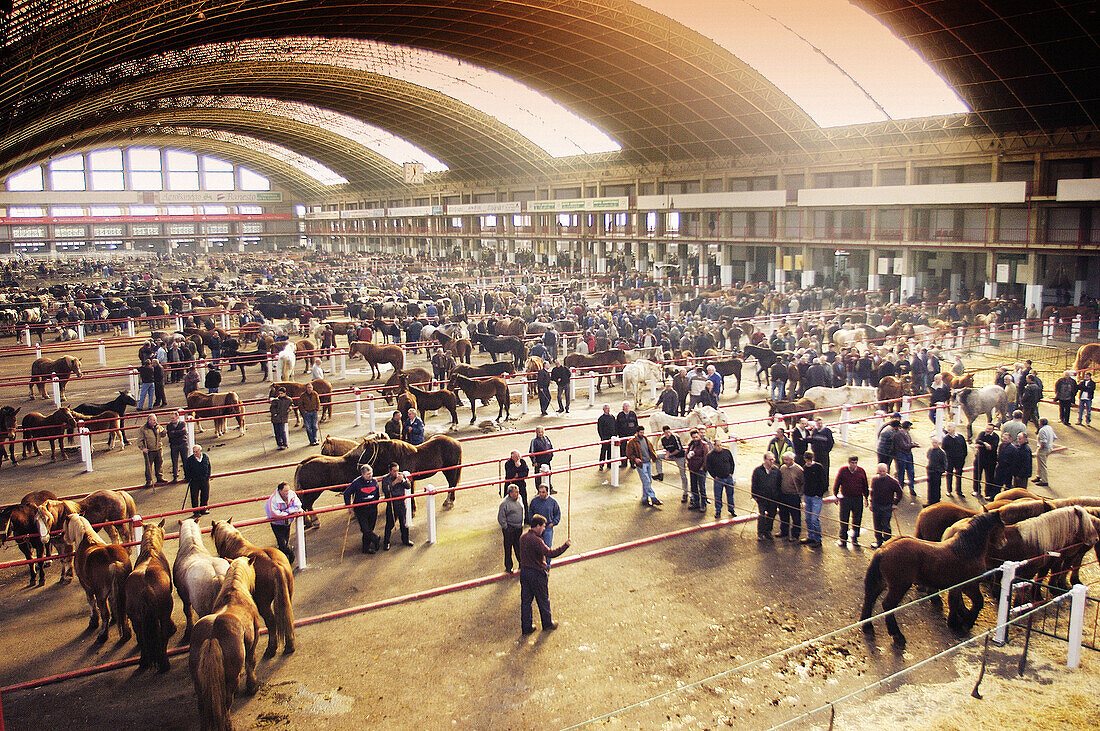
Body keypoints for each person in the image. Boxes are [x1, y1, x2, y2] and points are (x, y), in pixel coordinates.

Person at [518, 515, 571, 635]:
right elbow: (550, 553)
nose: (543, 529)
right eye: (542, 527)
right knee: (543, 599)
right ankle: (547, 623)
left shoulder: (523, 537)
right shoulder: (537, 541)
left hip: (525, 572)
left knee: (526, 601)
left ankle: (526, 627)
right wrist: (565, 546)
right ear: (537, 526)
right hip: (537, 573)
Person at [344, 464, 382, 554]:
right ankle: (376, 539)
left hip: (372, 509)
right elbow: (347, 493)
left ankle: (366, 548)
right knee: (365, 529)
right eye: (368, 474)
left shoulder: (374, 481)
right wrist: (348, 506)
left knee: (370, 529)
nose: (370, 475)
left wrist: (376, 503)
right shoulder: (357, 483)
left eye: (371, 473)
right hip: (361, 510)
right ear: (363, 475)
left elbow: (377, 494)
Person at [833, 455, 869, 548]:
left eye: (855, 463)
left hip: (858, 498)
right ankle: (843, 539)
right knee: (844, 519)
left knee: (857, 519)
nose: (854, 465)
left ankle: (855, 538)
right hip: (845, 498)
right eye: (852, 463)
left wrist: (866, 497)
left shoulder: (861, 471)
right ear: (849, 463)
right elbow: (837, 483)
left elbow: (865, 485)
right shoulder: (843, 471)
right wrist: (835, 495)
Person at [265, 481, 302, 563]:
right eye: (285, 491)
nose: (288, 493)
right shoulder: (273, 500)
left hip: (287, 523)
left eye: (288, 490)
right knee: (282, 544)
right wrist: (289, 512)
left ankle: (283, 560)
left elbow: (298, 506)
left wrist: (286, 512)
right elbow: (274, 513)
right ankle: (290, 556)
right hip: (277, 524)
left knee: (285, 542)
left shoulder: (291, 494)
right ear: (280, 491)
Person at [380, 462, 414, 549]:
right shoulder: (385, 479)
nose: (396, 473)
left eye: (397, 470)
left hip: (401, 503)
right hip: (392, 504)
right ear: (390, 471)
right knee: (389, 524)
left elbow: (408, 486)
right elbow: (386, 490)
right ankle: (386, 542)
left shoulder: (402, 476)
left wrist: (403, 480)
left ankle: (405, 540)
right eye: (394, 471)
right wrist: (394, 483)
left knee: (403, 523)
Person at [869, 464, 903, 548]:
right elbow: (872, 492)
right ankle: (879, 541)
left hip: (887, 506)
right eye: (880, 471)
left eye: (883, 471)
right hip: (876, 505)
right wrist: (871, 503)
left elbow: (900, 492)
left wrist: (895, 503)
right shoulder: (874, 480)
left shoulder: (893, 481)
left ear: (886, 471)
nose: (881, 473)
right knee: (877, 525)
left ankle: (888, 543)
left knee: (886, 525)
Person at [626, 425, 662, 506]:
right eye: (641, 432)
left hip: (648, 462)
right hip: (641, 464)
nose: (642, 434)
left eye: (643, 432)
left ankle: (645, 498)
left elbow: (650, 449)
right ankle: (653, 497)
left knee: (647, 480)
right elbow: (629, 454)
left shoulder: (645, 439)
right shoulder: (632, 442)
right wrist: (635, 459)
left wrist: (653, 456)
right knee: (646, 481)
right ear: (637, 433)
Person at [528, 483, 561, 565]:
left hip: (548, 529)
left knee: (547, 549)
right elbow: (530, 512)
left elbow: (557, 514)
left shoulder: (553, 502)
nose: (541, 494)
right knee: (535, 547)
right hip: (537, 529)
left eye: (543, 492)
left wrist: (553, 523)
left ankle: (547, 565)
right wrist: (533, 522)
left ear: (547, 492)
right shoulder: (534, 501)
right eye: (540, 492)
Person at [750, 452, 780, 540]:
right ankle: (760, 533)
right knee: (762, 515)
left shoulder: (776, 471)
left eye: (773, 459)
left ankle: (768, 531)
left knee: (772, 515)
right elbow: (754, 483)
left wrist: (777, 496)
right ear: (765, 460)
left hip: (773, 498)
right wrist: (754, 495)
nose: (772, 461)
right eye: (770, 459)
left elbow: (778, 484)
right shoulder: (758, 471)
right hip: (762, 498)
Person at [497, 483, 525, 573]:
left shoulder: (519, 498)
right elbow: (501, 518)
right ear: (509, 493)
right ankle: (509, 567)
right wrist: (506, 528)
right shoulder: (504, 504)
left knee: (519, 547)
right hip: (510, 529)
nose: (517, 494)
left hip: (518, 528)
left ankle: (522, 564)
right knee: (508, 548)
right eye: (514, 493)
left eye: (517, 492)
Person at [776, 453, 804, 542]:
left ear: (792, 460)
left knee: (795, 516)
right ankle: (784, 531)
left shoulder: (799, 470)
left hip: (794, 496)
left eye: (787, 460)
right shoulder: (782, 468)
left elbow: (803, 483)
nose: (785, 462)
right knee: (783, 515)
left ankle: (795, 535)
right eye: (784, 460)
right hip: (783, 495)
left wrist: (800, 494)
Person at [801, 450, 826, 547]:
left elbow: (823, 482)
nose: (808, 462)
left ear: (813, 459)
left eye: (810, 460)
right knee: (808, 518)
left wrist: (819, 494)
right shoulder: (805, 468)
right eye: (807, 460)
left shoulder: (818, 467)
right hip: (808, 496)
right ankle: (810, 536)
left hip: (816, 497)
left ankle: (818, 539)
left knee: (814, 519)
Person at [705, 438, 736, 519]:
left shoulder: (727, 452)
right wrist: (714, 476)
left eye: (720, 445)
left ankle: (731, 509)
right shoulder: (710, 455)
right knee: (718, 497)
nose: (719, 447)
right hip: (718, 479)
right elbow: (709, 467)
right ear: (714, 446)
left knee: (730, 495)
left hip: (728, 478)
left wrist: (731, 473)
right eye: (717, 446)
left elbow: (732, 463)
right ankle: (718, 511)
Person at [658, 425, 688, 501]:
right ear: (663, 433)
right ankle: (660, 473)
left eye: (668, 432)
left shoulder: (675, 437)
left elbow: (679, 449)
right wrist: (667, 455)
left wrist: (670, 455)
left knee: (683, 475)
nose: (668, 434)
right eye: (666, 433)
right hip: (671, 454)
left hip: (679, 456)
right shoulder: (663, 439)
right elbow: (667, 449)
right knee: (658, 456)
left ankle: (685, 492)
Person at [183, 444, 211, 519]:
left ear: (200, 451)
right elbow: (186, 469)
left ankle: (203, 509)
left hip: (204, 480)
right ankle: (196, 512)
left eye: (196, 452)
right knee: (194, 496)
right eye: (194, 452)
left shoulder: (205, 457)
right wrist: (188, 478)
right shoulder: (190, 460)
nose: (195, 453)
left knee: (205, 495)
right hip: (194, 481)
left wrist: (207, 476)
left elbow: (209, 467)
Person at [685, 428, 710, 512]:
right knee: (694, 486)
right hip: (692, 468)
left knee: (702, 487)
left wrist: (703, 467)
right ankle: (696, 502)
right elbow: (687, 454)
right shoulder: (691, 445)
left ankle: (703, 504)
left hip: (700, 469)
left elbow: (706, 457)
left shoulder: (704, 445)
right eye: (693, 437)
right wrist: (688, 457)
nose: (695, 439)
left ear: (699, 436)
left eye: (696, 437)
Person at [139, 414, 166, 487]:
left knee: (159, 463)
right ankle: (149, 480)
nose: (155, 421)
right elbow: (140, 440)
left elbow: (162, 435)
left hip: (158, 448)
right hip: (149, 450)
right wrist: (143, 448)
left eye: (155, 420)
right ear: (149, 420)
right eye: (153, 420)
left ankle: (159, 478)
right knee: (148, 466)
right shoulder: (143, 429)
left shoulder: (158, 427)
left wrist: (164, 433)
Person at [973, 422, 1000, 497]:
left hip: (990, 460)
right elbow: (977, 441)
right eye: (987, 428)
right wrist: (985, 443)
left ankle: (988, 493)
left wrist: (981, 445)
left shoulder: (996, 437)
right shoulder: (982, 434)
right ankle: (976, 490)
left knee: (989, 477)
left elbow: (992, 448)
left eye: (989, 429)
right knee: (977, 475)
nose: (987, 430)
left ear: (993, 430)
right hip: (980, 458)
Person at [942, 422, 968, 496]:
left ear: (954, 428)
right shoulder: (946, 438)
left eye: (950, 426)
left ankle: (959, 491)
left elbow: (964, 448)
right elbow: (944, 448)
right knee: (949, 474)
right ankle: (949, 490)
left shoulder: (960, 437)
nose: (948, 428)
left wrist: (963, 457)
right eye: (948, 427)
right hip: (950, 460)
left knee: (959, 475)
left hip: (959, 460)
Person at [893, 421, 918, 497]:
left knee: (911, 472)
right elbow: (904, 446)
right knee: (901, 473)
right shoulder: (899, 434)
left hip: (907, 454)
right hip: (902, 455)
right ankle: (901, 489)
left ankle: (911, 488)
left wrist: (912, 444)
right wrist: (913, 445)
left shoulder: (906, 434)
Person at [504, 449, 531, 515]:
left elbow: (526, 472)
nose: (518, 458)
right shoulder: (508, 463)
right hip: (510, 486)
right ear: (512, 457)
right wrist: (516, 467)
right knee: (509, 502)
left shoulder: (522, 461)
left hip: (521, 485)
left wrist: (518, 475)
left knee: (524, 501)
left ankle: (526, 517)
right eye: (516, 457)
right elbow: (509, 474)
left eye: (519, 456)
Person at [529, 426, 554, 493]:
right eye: (539, 432)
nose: (541, 433)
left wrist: (551, 455)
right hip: (539, 461)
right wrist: (534, 461)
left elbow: (551, 447)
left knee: (548, 474)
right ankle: (539, 490)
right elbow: (532, 452)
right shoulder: (534, 441)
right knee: (538, 477)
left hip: (547, 461)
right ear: (536, 433)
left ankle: (549, 488)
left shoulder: (546, 438)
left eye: (542, 432)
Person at [166, 410, 189, 483]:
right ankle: (175, 476)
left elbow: (184, 432)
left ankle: (187, 476)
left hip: (182, 444)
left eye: (173, 418)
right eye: (171, 418)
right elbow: (170, 435)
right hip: (174, 445)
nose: (172, 420)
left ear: (177, 417)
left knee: (185, 460)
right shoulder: (169, 426)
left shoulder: (183, 423)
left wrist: (175, 432)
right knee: (174, 461)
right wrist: (179, 432)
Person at [991, 431, 1016, 499]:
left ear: (1010, 440)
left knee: (1007, 486)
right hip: (1000, 468)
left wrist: (1010, 470)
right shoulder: (1001, 445)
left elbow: (1013, 461)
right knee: (997, 484)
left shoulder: (1013, 449)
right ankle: (994, 497)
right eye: (1003, 438)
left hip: (1007, 470)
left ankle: (1006, 498)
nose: (1004, 440)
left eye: (1006, 439)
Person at [616, 401, 638, 468]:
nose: (626, 408)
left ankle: (632, 463)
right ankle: (623, 463)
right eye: (625, 406)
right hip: (623, 435)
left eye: (627, 406)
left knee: (632, 450)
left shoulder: (633, 414)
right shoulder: (620, 415)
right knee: (623, 449)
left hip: (631, 435)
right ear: (623, 407)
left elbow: (636, 424)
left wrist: (636, 433)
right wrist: (618, 435)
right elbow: (617, 425)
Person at [299, 382, 321, 446]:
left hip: (314, 412)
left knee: (315, 426)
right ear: (306, 388)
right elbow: (300, 404)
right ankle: (311, 440)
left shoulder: (315, 394)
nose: (309, 389)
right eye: (308, 387)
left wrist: (317, 408)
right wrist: (304, 411)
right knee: (308, 428)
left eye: (310, 387)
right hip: (307, 413)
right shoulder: (302, 395)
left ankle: (315, 438)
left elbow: (318, 401)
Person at [926, 437, 947, 505]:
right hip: (930, 472)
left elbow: (944, 464)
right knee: (930, 487)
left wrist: (940, 471)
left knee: (936, 488)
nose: (934, 444)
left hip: (937, 473)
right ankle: (930, 501)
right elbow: (928, 457)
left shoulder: (941, 453)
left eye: (936, 443)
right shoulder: (930, 450)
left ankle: (936, 502)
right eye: (933, 442)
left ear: (939, 443)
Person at [1035, 417, 1055, 486]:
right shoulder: (1049, 428)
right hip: (1049, 448)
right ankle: (1039, 476)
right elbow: (1054, 437)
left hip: (1043, 449)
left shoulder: (1042, 430)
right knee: (1040, 463)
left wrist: (1040, 448)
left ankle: (1044, 480)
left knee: (1042, 465)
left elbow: (1043, 441)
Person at [596, 404, 617, 470]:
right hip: (605, 437)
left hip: (611, 437)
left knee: (610, 451)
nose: (608, 410)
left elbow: (615, 426)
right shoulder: (601, 419)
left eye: (608, 408)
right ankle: (601, 464)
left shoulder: (612, 417)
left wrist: (615, 435)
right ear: (603, 410)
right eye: (606, 408)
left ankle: (609, 463)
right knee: (603, 451)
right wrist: (602, 437)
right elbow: (600, 429)